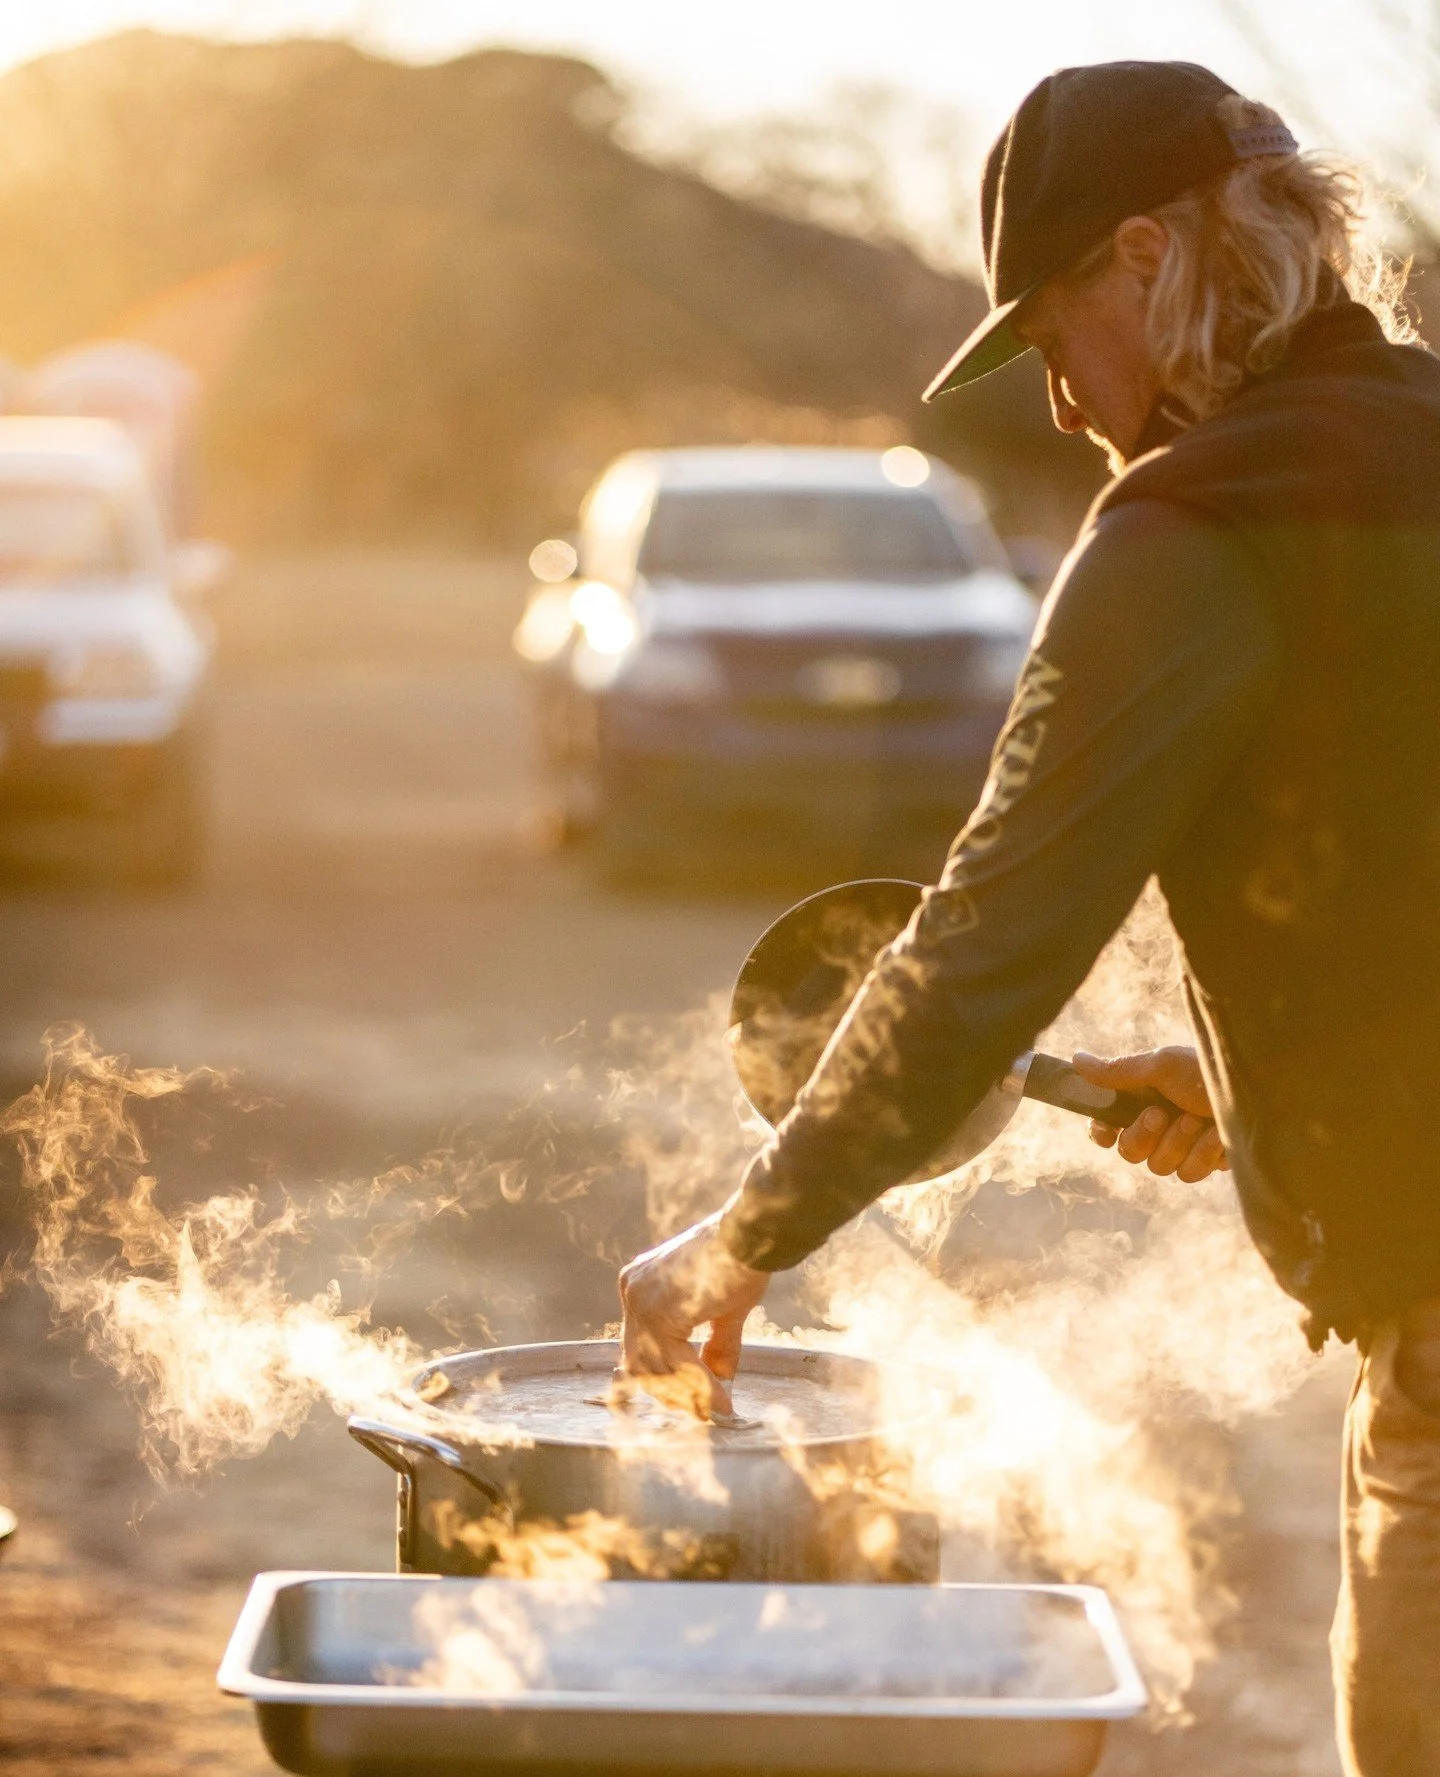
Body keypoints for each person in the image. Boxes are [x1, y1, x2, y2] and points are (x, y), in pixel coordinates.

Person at [618, 60, 1440, 1777]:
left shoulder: (1201, 523)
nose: (1062, 405)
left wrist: (744, 1238)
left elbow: (986, 938)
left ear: (1148, 254)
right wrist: (1264, 1076)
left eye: (1057, 336)